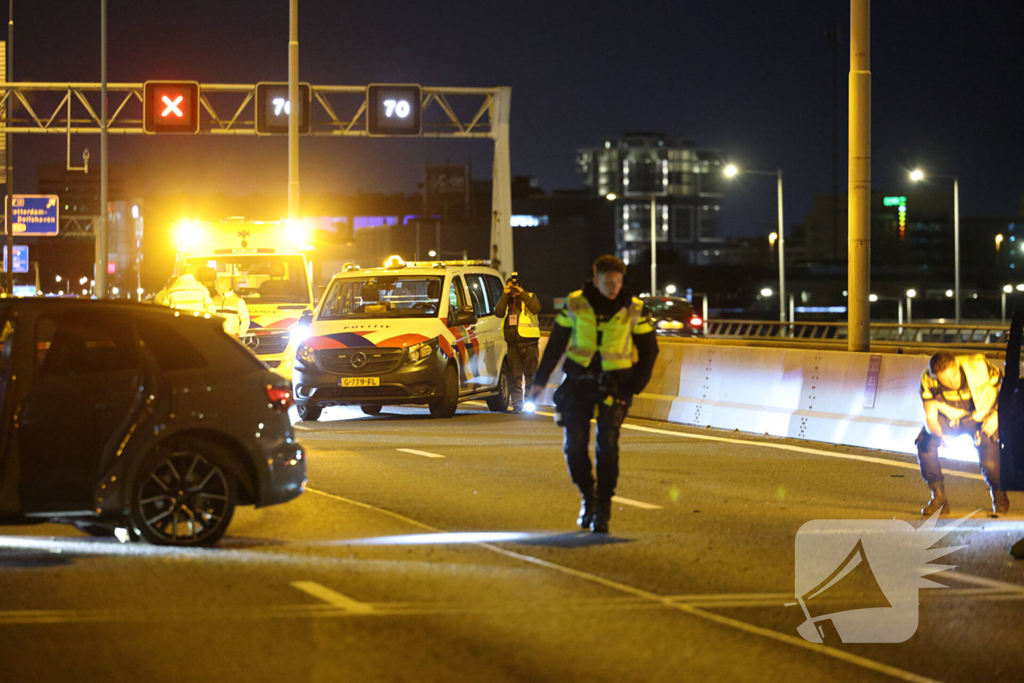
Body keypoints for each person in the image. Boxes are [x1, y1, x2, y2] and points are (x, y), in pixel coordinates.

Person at [528, 255, 659, 533]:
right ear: (596, 278)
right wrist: (540, 380)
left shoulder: (635, 308)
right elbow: (556, 344)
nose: (613, 286)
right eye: (608, 281)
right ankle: (589, 495)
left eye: (618, 281)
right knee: (574, 448)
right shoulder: (575, 303)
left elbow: (649, 351)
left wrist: (634, 386)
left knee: (607, 447)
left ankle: (604, 507)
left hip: (615, 385)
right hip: (578, 383)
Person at [916, 351, 1007, 516]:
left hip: (983, 416)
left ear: (957, 366)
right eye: (946, 381)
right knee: (925, 442)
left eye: (953, 377)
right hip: (952, 419)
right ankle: (939, 498)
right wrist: (939, 435)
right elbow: (930, 417)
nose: (952, 383)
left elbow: (1008, 391)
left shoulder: (979, 367)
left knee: (991, 465)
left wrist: (997, 417)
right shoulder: (928, 380)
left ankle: (999, 494)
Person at [495, 272, 541, 413]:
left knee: (530, 377)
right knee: (514, 377)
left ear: (520, 287)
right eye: (510, 288)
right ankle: (517, 406)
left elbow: (536, 308)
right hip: (513, 345)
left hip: (530, 345)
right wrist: (504, 294)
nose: (513, 291)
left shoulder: (530, 297)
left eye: (515, 288)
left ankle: (530, 404)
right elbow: (498, 312)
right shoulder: (507, 301)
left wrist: (522, 293)